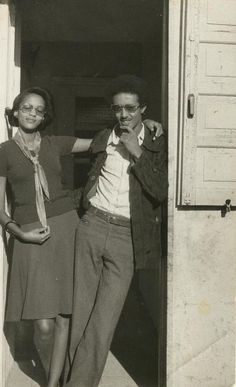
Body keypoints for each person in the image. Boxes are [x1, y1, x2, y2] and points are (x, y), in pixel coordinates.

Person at [0, 86, 162, 387]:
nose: (32, 113)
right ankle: (59, 377)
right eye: (26, 108)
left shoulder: (54, 143)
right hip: (45, 232)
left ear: (45, 115)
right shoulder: (5, 152)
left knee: (73, 317)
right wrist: (19, 232)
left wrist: (147, 128)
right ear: (15, 111)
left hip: (71, 229)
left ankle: (62, 385)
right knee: (50, 321)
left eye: (38, 109)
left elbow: (105, 144)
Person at [65, 75, 168, 387]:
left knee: (104, 319)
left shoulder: (155, 143)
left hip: (127, 237)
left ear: (143, 109)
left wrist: (137, 150)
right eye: (118, 109)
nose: (124, 115)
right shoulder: (102, 138)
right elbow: (65, 153)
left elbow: (160, 191)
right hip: (92, 226)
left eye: (131, 108)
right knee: (80, 312)